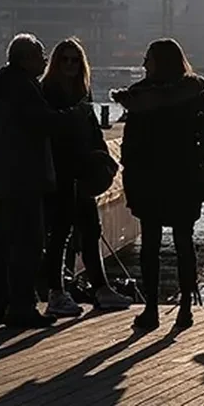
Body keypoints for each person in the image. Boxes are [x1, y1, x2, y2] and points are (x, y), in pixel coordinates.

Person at [112, 38, 204, 332]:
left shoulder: (139, 96)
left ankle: (152, 309)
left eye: (148, 58)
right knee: (184, 242)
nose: (144, 64)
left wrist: (131, 171)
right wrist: (195, 160)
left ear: (160, 61)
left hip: (149, 179)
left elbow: (131, 143)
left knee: (150, 246)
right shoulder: (194, 94)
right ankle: (185, 308)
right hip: (184, 179)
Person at [0, 34, 71, 328]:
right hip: (25, 178)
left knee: (2, 242)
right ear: (25, 59)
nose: (45, 60)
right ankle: (21, 307)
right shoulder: (23, 88)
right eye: (40, 54)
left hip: (2, 176)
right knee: (28, 244)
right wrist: (71, 117)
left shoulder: (0, 87)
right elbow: (42, 122)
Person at [39, 38, 133, 318]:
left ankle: (101, 288)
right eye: (65, 59)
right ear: (56, 63)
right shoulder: (49, 93)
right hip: (61, 173)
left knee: (91, 230)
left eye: (75, 60)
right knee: (60, 234)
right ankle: (56, 292)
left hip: (83, 171)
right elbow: (52, 131)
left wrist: (102, 154)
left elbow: (93, 130)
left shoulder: (82, 92)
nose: (70, 64)